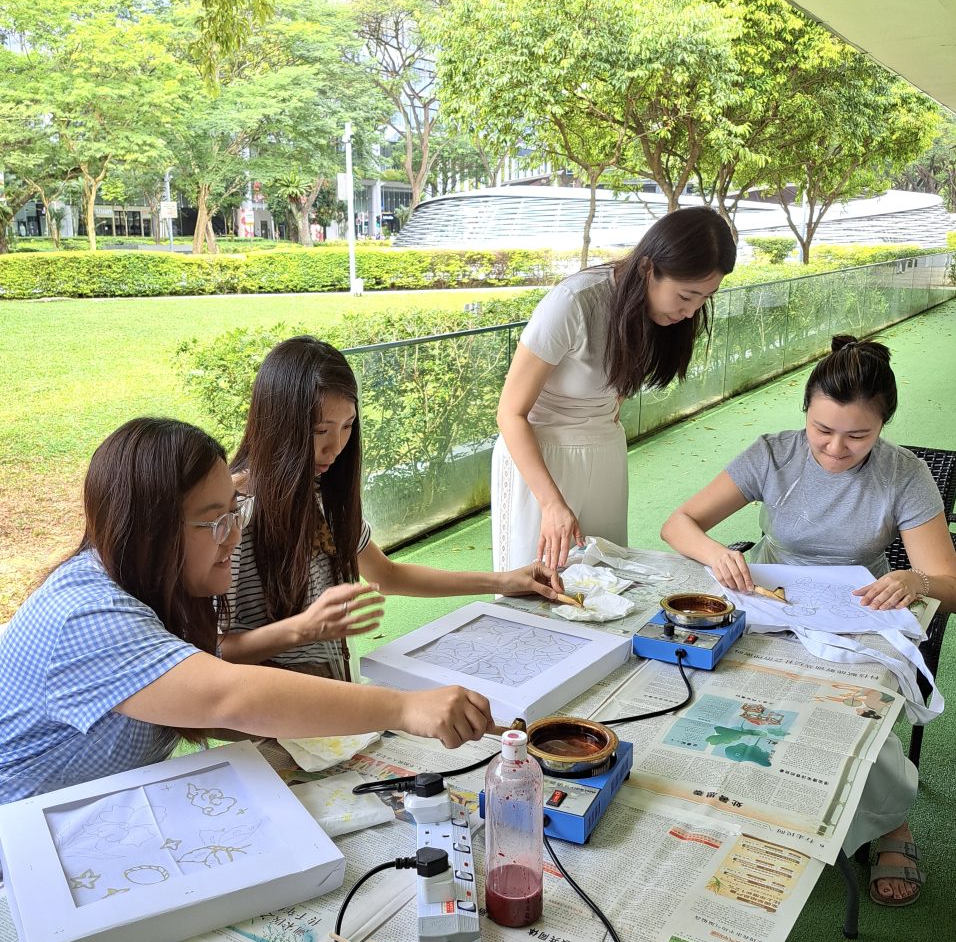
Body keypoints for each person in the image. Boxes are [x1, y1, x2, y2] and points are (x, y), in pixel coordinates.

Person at [0, 418, 495, 807]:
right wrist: (404, 707)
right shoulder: (87, 615)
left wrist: (348, 724)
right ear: (149, 532)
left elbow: (208, 707)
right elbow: (226, 696)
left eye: (233, 512)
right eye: (214, 522)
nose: (233, 536)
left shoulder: (153, 587)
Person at [661, 334, 956, 906]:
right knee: (718, 688)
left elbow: (948, 583)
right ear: (806, 413)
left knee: (857, 711)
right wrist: (716, 553)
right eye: (822, 429)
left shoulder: (903, 474)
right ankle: (754, 801)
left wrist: (916, 581)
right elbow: (679, 524)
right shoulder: (774, 454)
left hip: (863, 607)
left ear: (883, 425)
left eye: (857, 436)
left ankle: (892, 821)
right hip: (772, 598)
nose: (835, 449)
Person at [221, 336, 564, 679]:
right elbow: (209, 650)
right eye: (320, 430)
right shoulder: (232, 516)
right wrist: (302, 629)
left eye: (347, 426)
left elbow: (385, 574)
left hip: (329, 698)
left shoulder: (319, 492)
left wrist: (503, 581)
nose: (336, 447)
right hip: (270, 716)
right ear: (278, 424)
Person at [492, 206, 736, 573]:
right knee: (533, 585)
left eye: (705, 298)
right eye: (686, 296)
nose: (691, 311)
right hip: (540, 460)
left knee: (605, 581)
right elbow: (510, 413)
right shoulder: (574, 302)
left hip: (604, 452)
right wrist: (552, 504)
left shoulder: (656, 314)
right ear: (647, 268)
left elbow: (613, 389)